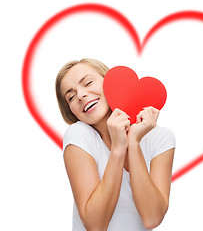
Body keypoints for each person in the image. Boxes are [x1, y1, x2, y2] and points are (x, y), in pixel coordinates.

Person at [55, 58, 176, 231]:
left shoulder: (161, 138)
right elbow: (95, 225)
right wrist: (118, 149)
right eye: (71, 97)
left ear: (110, 81)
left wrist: (133, 143)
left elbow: (152, 218)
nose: (81, 95)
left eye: (88, 82)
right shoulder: (79, 135)